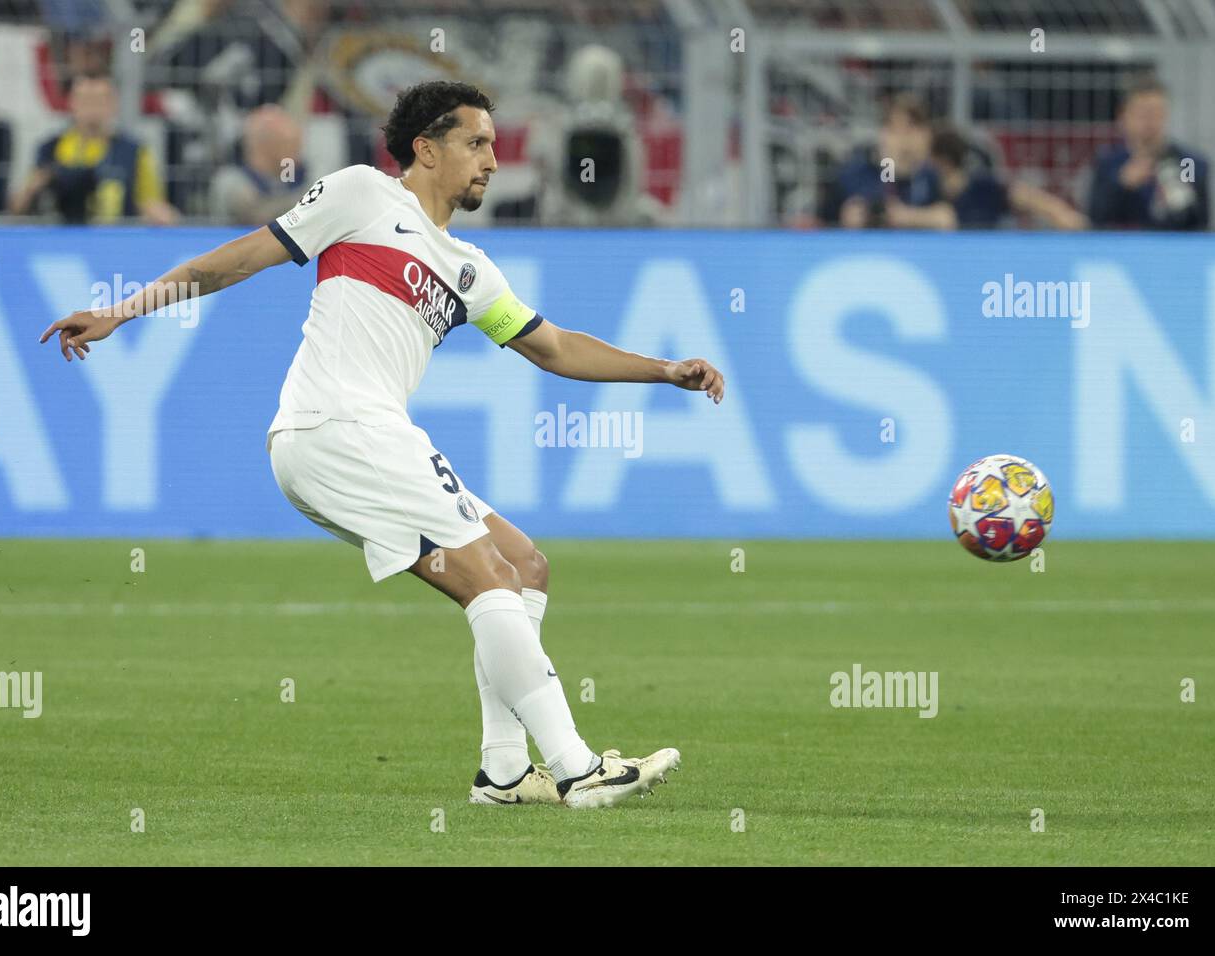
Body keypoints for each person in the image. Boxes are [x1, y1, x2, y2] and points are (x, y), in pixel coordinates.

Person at [38, 81, 725, 809]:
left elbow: (553, 348)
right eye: (477, 143)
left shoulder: (468, 268)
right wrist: (123, 310)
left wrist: (664, 371)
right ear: (426, 148)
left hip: (359, 437)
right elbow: (238, 259)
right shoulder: (364, 194)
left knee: (522, 565)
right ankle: (579, 770)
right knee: (489, 577)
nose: (493, 160)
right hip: (337, 424)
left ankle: (502, 773)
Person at [10, 73, 179, 225]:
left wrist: (161, 215)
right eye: (85, 101)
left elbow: (151, 202)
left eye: (99, 101)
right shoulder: (50, 148)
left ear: (113, 105)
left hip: (115, 242)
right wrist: (34, 188)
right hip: (58, 240)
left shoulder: (135, 151)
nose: (92, 109)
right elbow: (18, 207)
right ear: (71, 104)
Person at [888, 123, 1087, 230]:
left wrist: (1060, 212)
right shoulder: (923, 186)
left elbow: (1023, 196)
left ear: (941, 161)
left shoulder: (981, 187)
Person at [1087, 75, 1209, 231]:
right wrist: (1122, 184)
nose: (1150, 122)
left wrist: (1178, 199)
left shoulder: (1188, 163)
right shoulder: (1108, 162)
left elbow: (1201, 223)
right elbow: (1094, 218)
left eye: (1157, 113)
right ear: (1124, 116)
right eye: (1142, 113)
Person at [820, 93, 939, 228]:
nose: (904, 141)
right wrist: (844, 217)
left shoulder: (929, 176)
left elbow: (947, 217)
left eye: (910, 130)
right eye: (895, 131)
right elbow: (822, 222)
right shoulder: (854, 174)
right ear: (883, 133)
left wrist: (911, 217)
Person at [207, 105, 310, 225]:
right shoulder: (231, 183)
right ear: (265, 147)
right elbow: (259, 218)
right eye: (290, 144)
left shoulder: (298, 177)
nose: (298, 153)